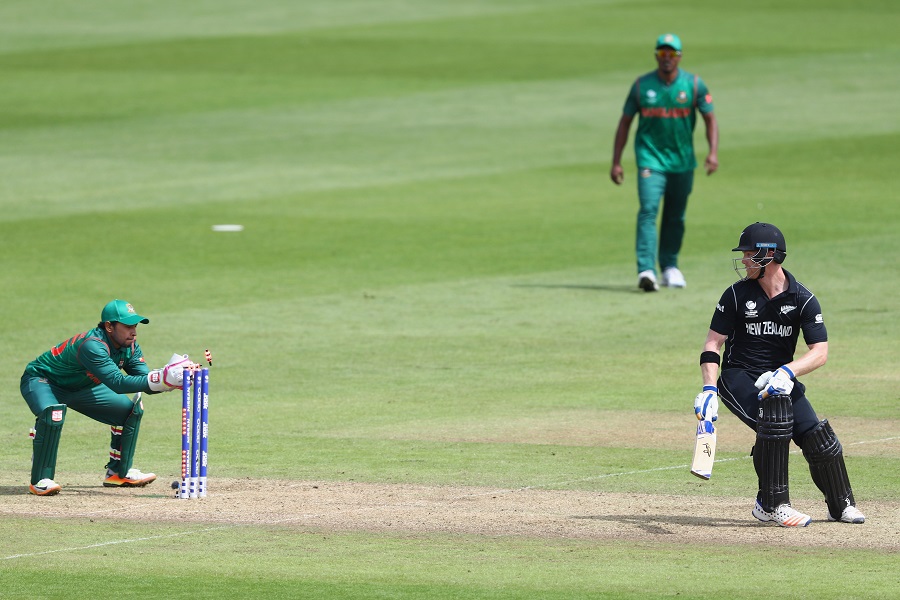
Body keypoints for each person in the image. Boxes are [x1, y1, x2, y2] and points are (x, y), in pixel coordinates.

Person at [693, 223, 865, 526]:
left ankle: (840, 505)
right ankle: (770, 505)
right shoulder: (735, 295)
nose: (744, 260)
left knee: (817, 435)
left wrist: (787, 372)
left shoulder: (802, 298)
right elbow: (713, 343)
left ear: (769, 255)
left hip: (779, 380)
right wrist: (708, 389)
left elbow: (820, 352)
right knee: (774, 421)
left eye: (749, 254)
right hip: (738, 377)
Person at [20, 299, 193, 496]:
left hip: (82, 387)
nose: (133, 332)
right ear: (109, 326)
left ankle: (118, 472)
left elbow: (145, 382)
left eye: (135, 326)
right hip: (44, 381)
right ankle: (41, 479)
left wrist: (171, 381)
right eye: (127, 326)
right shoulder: (92, 345)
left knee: (129, 411)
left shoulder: (130, 347)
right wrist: (161, 378)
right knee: (53, 414)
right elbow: (118, 383)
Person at [610, 33, 719, 292]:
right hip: (650, 159)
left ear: (679, 57)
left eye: (671, 54)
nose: (666, 58)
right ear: (656, 56)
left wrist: (712, 153)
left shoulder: (693, 85)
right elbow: (625, 123)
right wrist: (616, 161)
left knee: (675, 216)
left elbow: (710, 119)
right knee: (648, 210)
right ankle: (646, 270)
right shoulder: (641, 86)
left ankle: (670, 266)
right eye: (662, 53)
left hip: (682, 162)